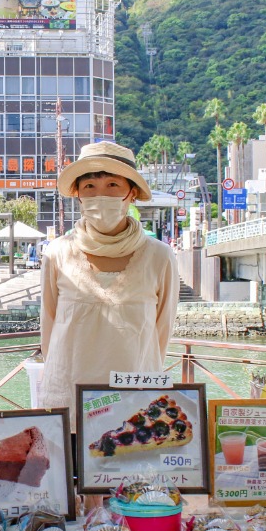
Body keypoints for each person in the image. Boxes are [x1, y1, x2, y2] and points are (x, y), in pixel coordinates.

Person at [40, 141, 180, 432]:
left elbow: (161, 333)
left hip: (135, 407)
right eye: (89, 185)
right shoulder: (57, 253)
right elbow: (49, 328)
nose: (100, 194)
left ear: (131, 193)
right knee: (69, 475)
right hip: (68, 403)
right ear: (77, 194)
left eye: (113, 184)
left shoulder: (159, 256)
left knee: (128, 473)